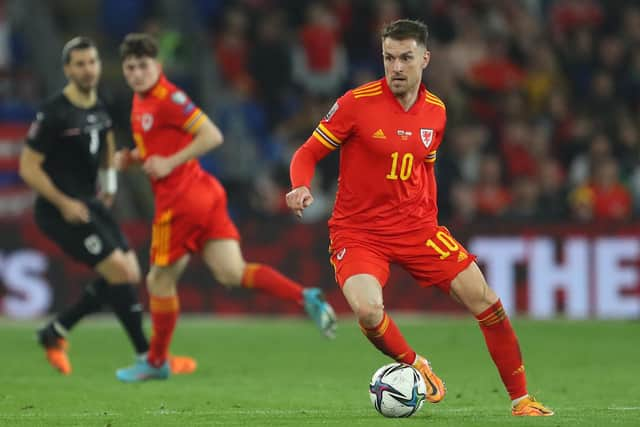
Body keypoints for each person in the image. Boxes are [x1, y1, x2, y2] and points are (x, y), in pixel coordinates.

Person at [286, 19, 553, 417]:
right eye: (389, 58)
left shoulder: (437, 112)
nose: (396, 67)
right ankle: (416, 364)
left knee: (488, 302)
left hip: (417, 229)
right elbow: (306, 153)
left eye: (405, 58)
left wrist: (428, 217)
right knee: (367, 310)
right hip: (358, 232)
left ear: (424, 59)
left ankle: (521, 400)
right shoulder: (355, 104)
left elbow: (423, 167)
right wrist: (300, 185)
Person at [114, 33, 337, 383]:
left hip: (181, 201)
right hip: (205, 195)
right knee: (232, 272)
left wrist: (169, 163)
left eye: (144, 65)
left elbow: (211, 136)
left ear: (157, 66)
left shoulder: (168, 97)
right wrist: (133, 157)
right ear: (125, 72)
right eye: (131, 67)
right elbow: (159, 147)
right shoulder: (141, 103)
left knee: (158, 280)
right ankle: (304, 295)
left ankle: (156, 362)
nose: (138, 72)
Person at [19, 37, 195, 377]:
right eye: (80, 64)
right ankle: (149, 357)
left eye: (93, 62)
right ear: (67, 69)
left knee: (125, 272)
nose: (88, 70)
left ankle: (54, 332)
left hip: (91, 203)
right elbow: (28, 167)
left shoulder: (102, 104)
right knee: (122, 274)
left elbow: (108, 145)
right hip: (59, 209)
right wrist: (64, 202)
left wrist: (110, 186)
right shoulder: (54, 112)